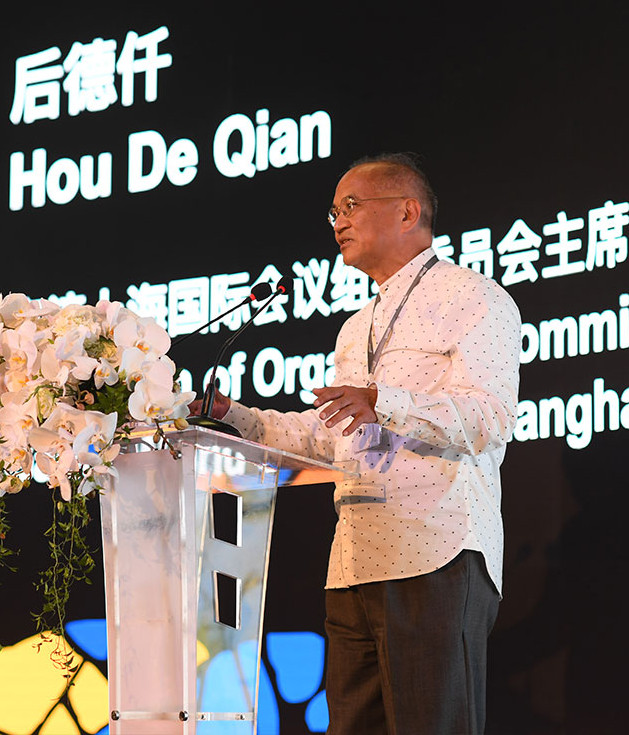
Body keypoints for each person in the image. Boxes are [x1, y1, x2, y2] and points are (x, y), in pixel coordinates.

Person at [194, 153, 521, 735]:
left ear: (407, 211)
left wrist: (384, 401)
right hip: (352, 563)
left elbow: (489, 417)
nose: (338, 222)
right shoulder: (354, 325)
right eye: (333, 211)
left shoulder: (474, 298)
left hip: (434, 550)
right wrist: (236, 416)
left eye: (351, 206)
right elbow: (332, 436)